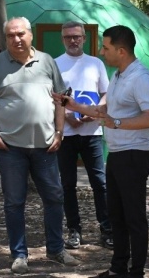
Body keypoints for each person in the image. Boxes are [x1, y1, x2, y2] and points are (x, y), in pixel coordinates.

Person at [53, 25, 149, 278]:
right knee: (117, 215)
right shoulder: (119, 75)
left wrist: (118, 123)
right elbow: (103, 111)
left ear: (121, 51)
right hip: (118, 153)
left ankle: (136, 271)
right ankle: (118, 268)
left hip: (134, 154)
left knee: (134, 217)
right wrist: (73, 105)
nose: (101, 52)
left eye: (106, 47)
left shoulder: (141, 78)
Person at [0, 17, 80, 274]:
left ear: (30, 35)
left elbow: (60, 101)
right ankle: (19, 254)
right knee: (14, 202)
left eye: (21, 34)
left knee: (55, 197)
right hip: (10, 147)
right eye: (11, 35)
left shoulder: (47, 62)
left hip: (45, 146)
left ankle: (56, 249)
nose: (16, 39)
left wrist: (59, 132)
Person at [55, 21, 113, 250]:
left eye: (77, 36)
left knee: (100, 182)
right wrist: (67, 115)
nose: (73, 40)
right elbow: (51, 97)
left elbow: (106, 93)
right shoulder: (56, 64)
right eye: (68, 37)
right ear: (63, 39)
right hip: (66, 134)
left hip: (92, 133)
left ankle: (107, 228)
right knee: (67, 184)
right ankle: (74, 230)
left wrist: (95, 112)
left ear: (84, 38)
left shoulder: (96, 63)